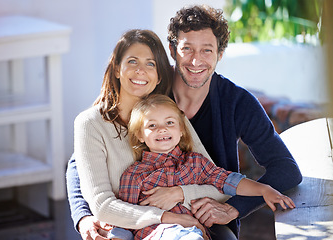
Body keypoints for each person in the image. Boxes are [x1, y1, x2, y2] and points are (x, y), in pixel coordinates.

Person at [67, 4, 302, 240]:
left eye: (207, 50)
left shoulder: (236, 102)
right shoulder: (148, 89)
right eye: (187, 48)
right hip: (138, 218)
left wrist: (233, 208)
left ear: (220, 54)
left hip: (204, 213)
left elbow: (285, 169)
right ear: (172, 50)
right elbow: (81, 162)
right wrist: (83, 215)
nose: (196, 61)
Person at [70, 28, 231, 240]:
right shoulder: (90, 124)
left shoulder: (170, 115)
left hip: (185, 226)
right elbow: (102, 204)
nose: (141, 70)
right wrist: (164, 217)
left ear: (158, 77)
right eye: (132, 61)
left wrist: (180, 193)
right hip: (126, 229)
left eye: (151, 64)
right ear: (117, 69)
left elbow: (221, 187)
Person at [108, 94, 295, 240]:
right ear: (140, 135)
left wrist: (263, 189)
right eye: (152, 125)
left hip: (193, 234)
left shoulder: (195, 163)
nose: (162, 129)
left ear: (181, 130)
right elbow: (128, 217)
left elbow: (228, 181)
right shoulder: (134, 175)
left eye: (169, 123)